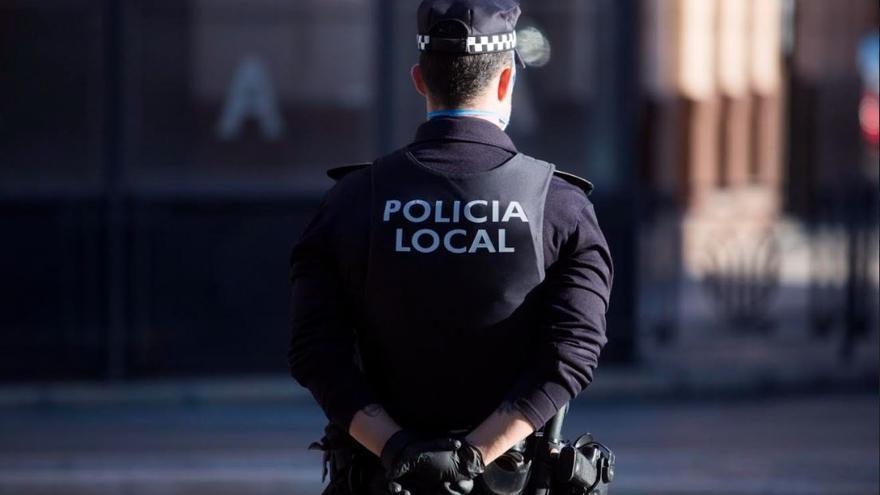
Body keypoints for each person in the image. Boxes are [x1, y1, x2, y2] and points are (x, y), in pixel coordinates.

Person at [288, 1, 613, 493]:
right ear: (507, 82)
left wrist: (398, 449)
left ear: (419, 79)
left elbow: (316, 353)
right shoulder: (560, 207)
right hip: (512, 481)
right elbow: (571, 355)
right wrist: (472, 457)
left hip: (382, 479)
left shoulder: (350, 203)